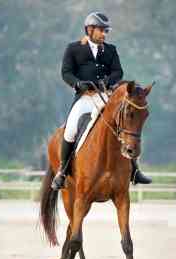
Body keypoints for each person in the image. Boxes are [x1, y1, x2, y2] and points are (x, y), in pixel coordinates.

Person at [51, 11, 152, 190]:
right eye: (101, 30)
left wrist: (107, 81)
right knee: (71, 128)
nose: (105, 34)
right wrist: (77, 84)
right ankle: (63, 171)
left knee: (126, 123)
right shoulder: (74, 48)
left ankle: (135, 170)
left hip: (106, 96)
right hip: (85, 97)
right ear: (89, 30)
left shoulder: (111, 50)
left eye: (106, 31)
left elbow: (118, 72)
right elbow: (66, 72)